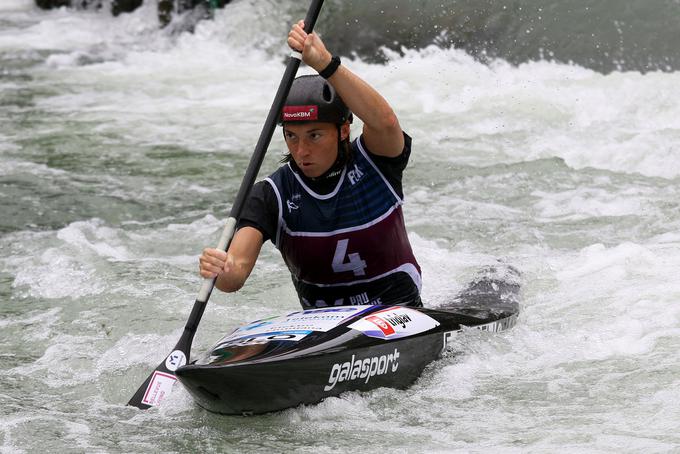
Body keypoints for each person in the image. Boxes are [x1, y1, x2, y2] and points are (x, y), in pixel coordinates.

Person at [199, 20, 422, 309]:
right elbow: (236, 273)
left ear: (343, 131)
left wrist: (325, 64)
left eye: (314, 135)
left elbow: (385, 122)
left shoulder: (376, 163)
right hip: (323, 331)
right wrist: (222, 270)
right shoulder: (272, 195)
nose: (301, 150)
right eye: (291, 136)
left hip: (401, 315)